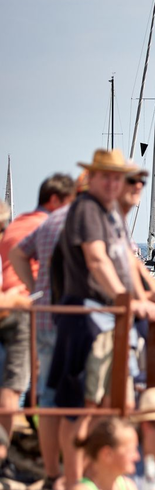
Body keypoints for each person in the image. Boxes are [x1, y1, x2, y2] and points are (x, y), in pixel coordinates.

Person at [49, 149, 155, 490]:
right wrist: (127, 301)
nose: (115, 183)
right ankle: (72, 482)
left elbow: (125, 259)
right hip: (88, 314)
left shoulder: (111, 214)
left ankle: (96, 478)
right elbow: (97, 260)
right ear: (94, 177)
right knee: (80, 407)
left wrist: (147, 294)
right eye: (109, 176)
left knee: (111, 403)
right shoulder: (86, 209)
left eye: (120, 177)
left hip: (110, 317)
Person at [10, 173, 86, 490]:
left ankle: (50, 473)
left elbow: (16, 254)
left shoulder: (38, 221)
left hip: (37, 315)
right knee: (75, 402)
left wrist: (34, 288)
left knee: (44, 396)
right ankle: (70, 476)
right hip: (60, 319)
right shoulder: (80, 221)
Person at [0, 174, 74, 438]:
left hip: (4, 303)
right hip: (26, 306)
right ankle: (6, 452)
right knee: (19, 384)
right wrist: (35, 290)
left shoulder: (16, 223)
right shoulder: (50, 225)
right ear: (55, 200)